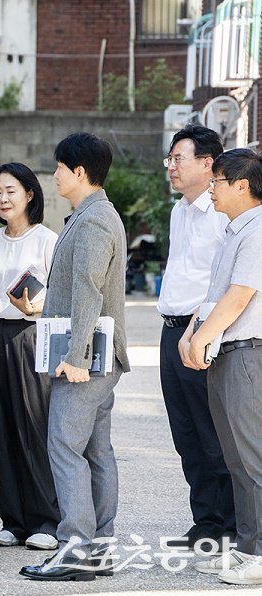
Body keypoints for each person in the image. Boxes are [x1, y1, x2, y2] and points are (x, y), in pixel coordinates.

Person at [20, 132, 129, 582]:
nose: (54, 175)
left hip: (87, 359)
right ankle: (98, 549)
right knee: (95, 452)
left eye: (59, 167)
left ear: (78, 171)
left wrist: (77, 355)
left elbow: (89, 290)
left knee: (65, 447)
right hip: (95, 356)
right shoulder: (90, 215)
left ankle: (75, 549)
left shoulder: (94, 220)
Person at [0, 162, 60, 550]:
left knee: (33, 429)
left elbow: (60, 295)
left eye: (11, 191)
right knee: (0, 430)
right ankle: (13, 520)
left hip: (32, 337)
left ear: (30, 194)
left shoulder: (47, 240)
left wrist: (37, 308)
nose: (3, 198)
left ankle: (46, 521)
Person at [182, 148, 262, 585]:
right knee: (235, 458)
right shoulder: (234, 231)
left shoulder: (258, 229)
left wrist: (201, 335)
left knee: (252, 457)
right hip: (227, 352)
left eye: (217, 181)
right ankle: (249, 549)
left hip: (248, 351)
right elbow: (215, 294)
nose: (211, 189)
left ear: (242, 185)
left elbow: (240, 295)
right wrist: (191, 330)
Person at [158, 125, 235, 550]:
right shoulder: (179, 211)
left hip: (204, 333)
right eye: (169, 159)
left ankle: (232, 523)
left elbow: (226, 284)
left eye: (178, 159)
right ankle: (205, 521)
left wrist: (204, 332)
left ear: (208, 164)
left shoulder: (224, 212)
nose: (171, 166)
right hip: (172, 330)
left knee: (214, 433)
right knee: (185, 434)